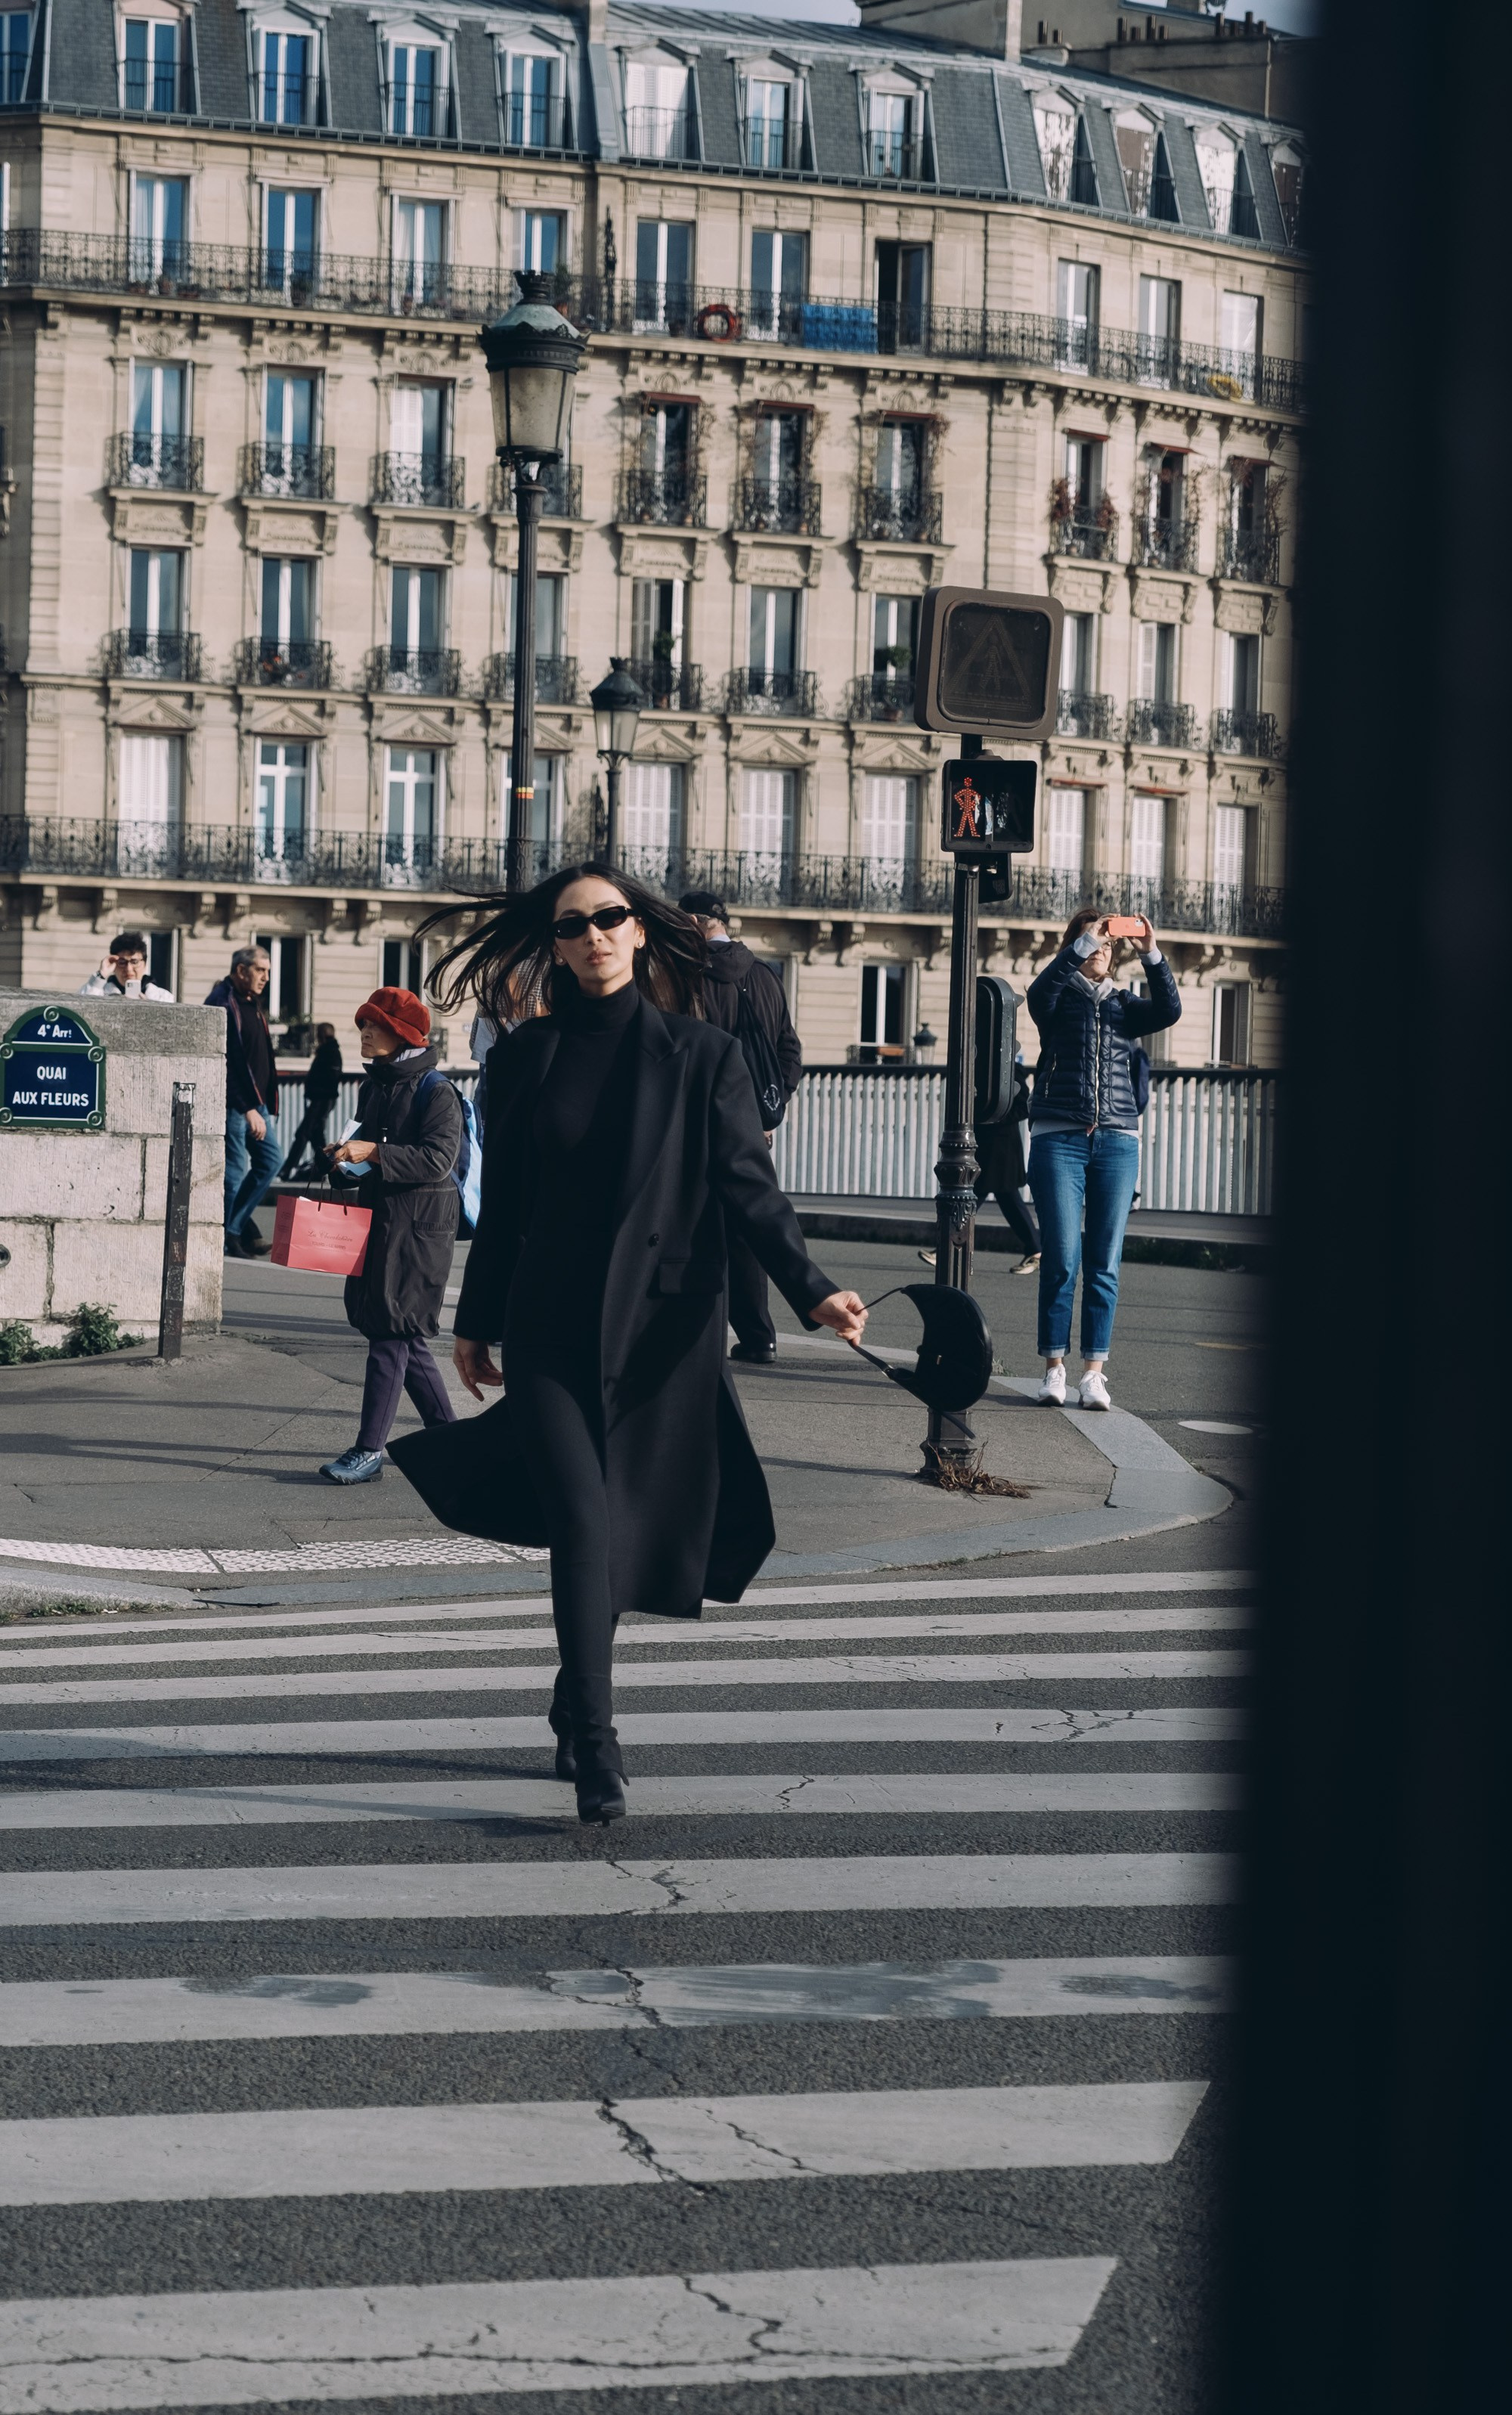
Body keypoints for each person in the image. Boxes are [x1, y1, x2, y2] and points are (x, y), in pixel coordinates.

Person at [429, 863, 867, 1826]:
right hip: (549, 1323)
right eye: (573, 924)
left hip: (662, 1326)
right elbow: (501, 1207)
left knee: (621, 1524)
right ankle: (596, 1738)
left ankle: (570, 1688)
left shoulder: (703, 1054)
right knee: (584, 1521)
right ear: (553, 943)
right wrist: (474, 1316)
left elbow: (748, 1189)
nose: (593, 934)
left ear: (639, 933)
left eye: (609, 918)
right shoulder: (523, 1059)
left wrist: (811, 1289)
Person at [1025, 909, 1179, 1411]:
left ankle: (1094, 1374)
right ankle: (1054, 1369)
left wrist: (1151, 953)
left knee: (1105, 1261)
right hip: (1059, 1140)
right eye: (1093, 944)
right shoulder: (1055, 1000)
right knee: (1063, 1259)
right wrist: (1083, 941)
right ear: (1075, 947)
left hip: (1117, 1143)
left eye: (1108, 947)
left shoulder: (1125, 1006)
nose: (1101, 952)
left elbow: (1170, 1010)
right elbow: (1038, 991)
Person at [318, 987, 462, 1487]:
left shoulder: (435, 1090)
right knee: (402, 1334)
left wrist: (374, 1153)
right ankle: (452, 1444)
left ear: (400, 1034)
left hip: (421, 1226)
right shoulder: (375, 1086)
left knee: (392, 1331)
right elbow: (366, 1152)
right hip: (380, 1218)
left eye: (373, 1025)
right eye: (363, 1024)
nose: (364, 1032)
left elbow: (437, 1160)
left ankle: (369, 1449)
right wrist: (341, 1158)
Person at [679, 888, 803, 1366]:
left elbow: (682, 1055)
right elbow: (789, 1052)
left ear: (694, 923)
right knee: (747, 1228)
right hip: (752, 1125)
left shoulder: (689, 978)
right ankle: (759, 1337)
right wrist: (769, 1109)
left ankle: (698, 1334)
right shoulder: (766, 975)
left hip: (700, 1119)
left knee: (692, 1225)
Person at [919, 1054, 1040, 1276]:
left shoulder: (1012, 1069)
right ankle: (1034, 1249)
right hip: (989, 1145)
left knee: (973, 1195)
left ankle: (946, 1248)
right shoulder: (983, 1068)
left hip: (1002, 1147)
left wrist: (991, 1118)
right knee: (996, 1198)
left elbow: (1023, 1107)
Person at [206, 946, 280, 1259]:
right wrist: (248, 1107)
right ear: (241, 970)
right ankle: (230, 1235)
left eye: (267, 971)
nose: (266, 977)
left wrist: (265, 1102)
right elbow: (228, 1064)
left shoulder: (251, 1003)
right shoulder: (223, 1004)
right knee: (234, 1172)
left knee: (270, 1163)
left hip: (257, 1103)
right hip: (237, 1105)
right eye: (260, 970)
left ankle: (236, 1229)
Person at [279, 1022, 344, 1180]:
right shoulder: (327, 1051)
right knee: (317, 1137)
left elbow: (331, 1078)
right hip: (321, 1099)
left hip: (322, 1100)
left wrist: (315, 1089)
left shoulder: (331, 1052)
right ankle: (326, 1169)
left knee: (303, 1133)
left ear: (321, 1035)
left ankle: (287, 1169)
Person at [79, 932, 173, 1001]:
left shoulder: (163, 997)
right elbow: (82, 1008)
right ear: (114, 964)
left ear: (145, 964)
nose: (129, 969)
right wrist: (101, 974)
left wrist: (149, 1010)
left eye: (134, 962)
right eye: (122, 962)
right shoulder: (100, 994)